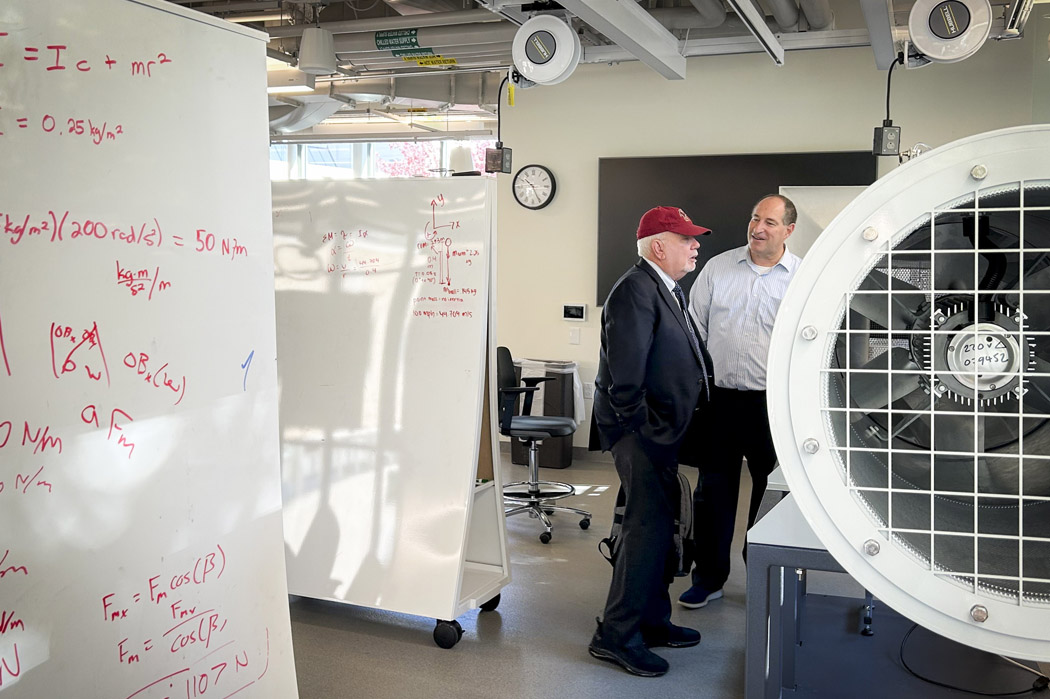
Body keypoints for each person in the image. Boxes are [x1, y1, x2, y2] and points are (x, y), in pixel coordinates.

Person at [588, 206, 715, 677]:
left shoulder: (664, 288)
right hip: (640, 434)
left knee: (661, 528)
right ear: (659, 246)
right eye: (686, 239)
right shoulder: (634, 291)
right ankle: (615, 636)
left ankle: (652, 621)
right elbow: (626, 378)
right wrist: (646, 430)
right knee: (644, 532)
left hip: (660, 432)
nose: (696, 245)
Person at [677, 194, 799, 609]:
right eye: (754, 218)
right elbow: (694, 330)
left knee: (770, 497)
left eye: (769, 222)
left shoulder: (802, 278)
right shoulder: (718, 268)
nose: (758, 228)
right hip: (720, 402)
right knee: (713, 491)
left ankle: (763, 578)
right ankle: (708, 578)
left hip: (773, 405)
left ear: (788, 230)